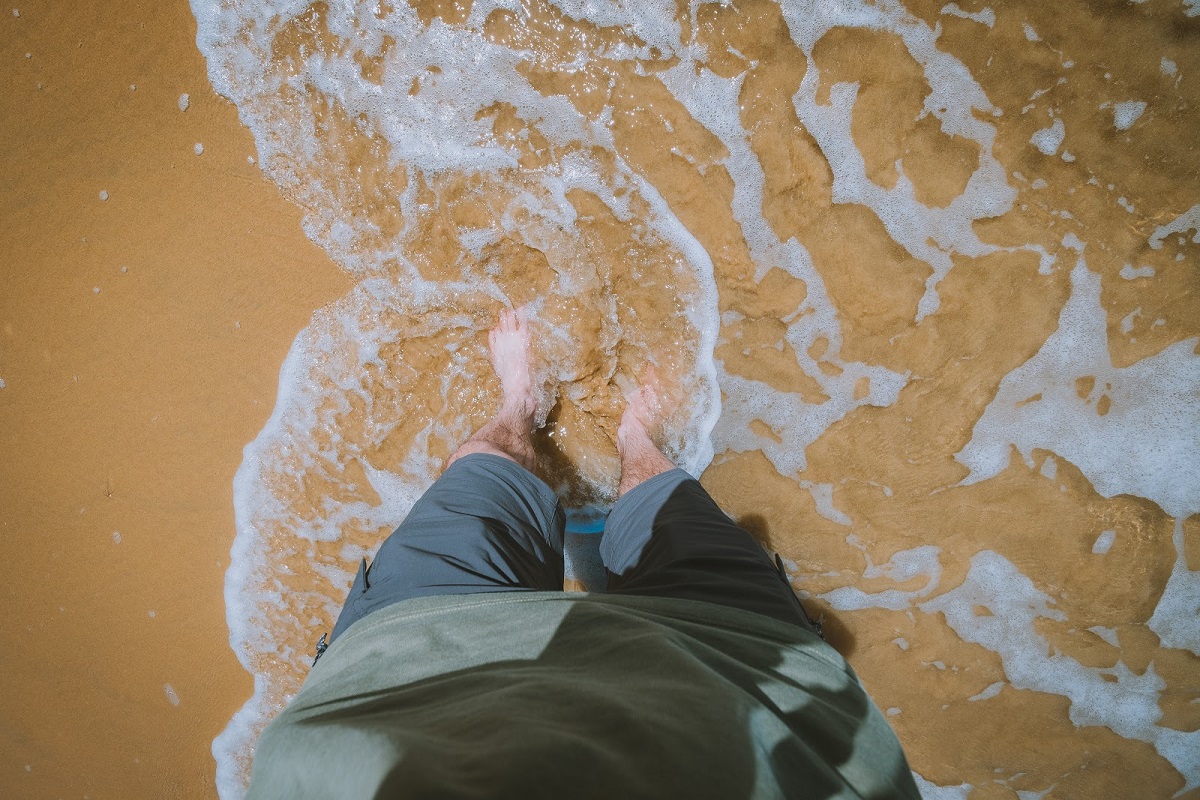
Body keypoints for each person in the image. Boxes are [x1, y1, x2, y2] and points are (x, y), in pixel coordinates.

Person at [247, 308, 919, 800]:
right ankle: (635, 441)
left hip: (407, 664)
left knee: (485, 465)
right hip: (735, 661)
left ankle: (521, 404)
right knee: (663, 501)